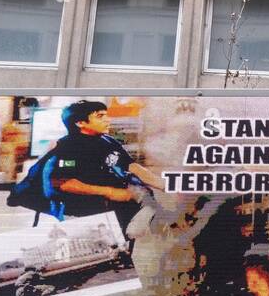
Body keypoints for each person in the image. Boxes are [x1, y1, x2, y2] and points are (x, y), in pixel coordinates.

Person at [13, 100, 159, 240]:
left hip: (114, 212)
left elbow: (131, 166)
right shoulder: (68, 148)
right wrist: (110, 192)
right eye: (100, 116)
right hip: (83, 214)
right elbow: (63, 183)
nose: (107, 120)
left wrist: (165, 184)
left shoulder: (108, 141)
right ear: (80, 123)